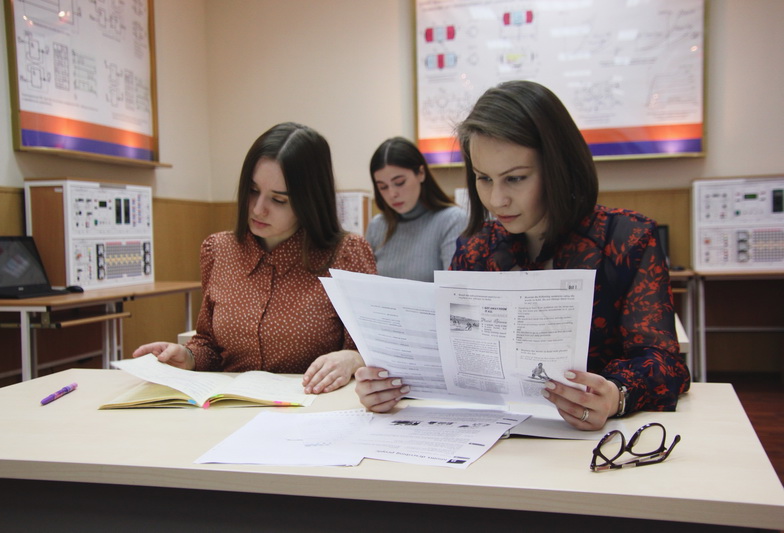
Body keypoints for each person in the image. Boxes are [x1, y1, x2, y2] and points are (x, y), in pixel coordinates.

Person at [354, 81, 691, 430]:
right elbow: (446, 357)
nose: (496, 199)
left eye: (515, 179)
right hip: (495, 437)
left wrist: (616, 394)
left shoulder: (626, 240)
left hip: (597, 441)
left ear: (558, 167)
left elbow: (665, 363)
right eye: (483, 178)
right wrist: (389, 384)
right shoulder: (476, 250)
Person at [133, 122, 377, 394]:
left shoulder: (346, 254)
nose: (259, 209)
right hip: (230, 406)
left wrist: (353, 359)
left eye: (279, 200)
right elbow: (209, 345)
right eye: (252, 190)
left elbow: (375, 349)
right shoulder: (219, 250)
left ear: (310, 201)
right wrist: (187, 357)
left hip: (313, 406)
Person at [366, 137, 467, 282]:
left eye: (399, 182)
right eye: (383, 187)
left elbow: (454, 289)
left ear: (421, 173)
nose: (392, 194)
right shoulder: (377, 225)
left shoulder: (452, 220)